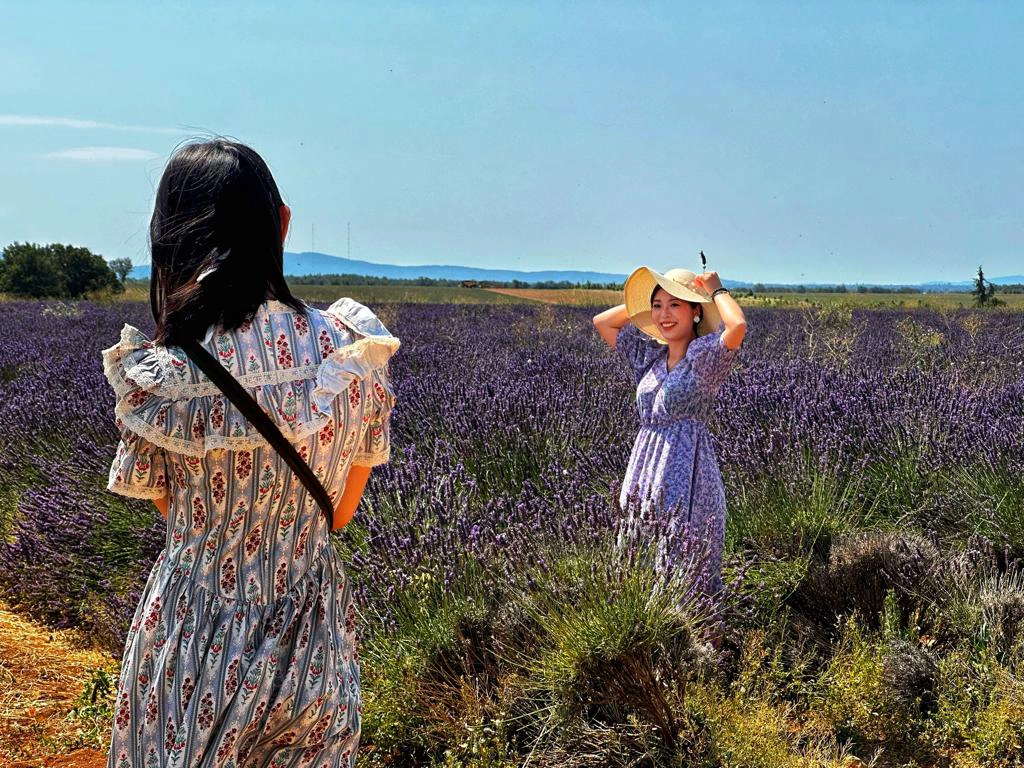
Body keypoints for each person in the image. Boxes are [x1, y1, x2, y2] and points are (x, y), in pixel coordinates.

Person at [102, 140, 399, 767]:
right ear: (282, 222)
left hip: (193, 649)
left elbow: (177, 517)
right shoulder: (351, 354)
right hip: (313, 643)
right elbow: (339, 513)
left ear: (168, 239)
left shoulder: (166, 378)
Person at [593, 267, 746, 644]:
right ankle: (645, 645)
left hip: (687, 473)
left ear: (695, 311)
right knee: (639, 554)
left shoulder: (703, 360)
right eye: (657, 305)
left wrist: (715, 290)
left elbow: (737, 327)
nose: (664, 314)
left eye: (675, 305)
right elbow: (603, 323)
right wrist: (641, 307)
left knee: (683, 556)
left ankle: (698, 654)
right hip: (644, 472)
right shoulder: (650, 359)